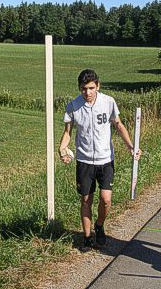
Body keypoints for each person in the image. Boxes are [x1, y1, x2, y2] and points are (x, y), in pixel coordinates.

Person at [59, 69, 141, 249]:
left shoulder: (108, 102)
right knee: (86, 200)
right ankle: (87, 238)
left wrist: (131, 146)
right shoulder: (73, 106)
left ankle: (99, 225)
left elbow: (118, 125)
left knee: (106, 199)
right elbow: (67, 133)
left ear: (98, 86)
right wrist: (62, 149)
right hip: (85, 160)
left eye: (91, 88)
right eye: (83, 89)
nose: (87, 93)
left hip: (105, 160)